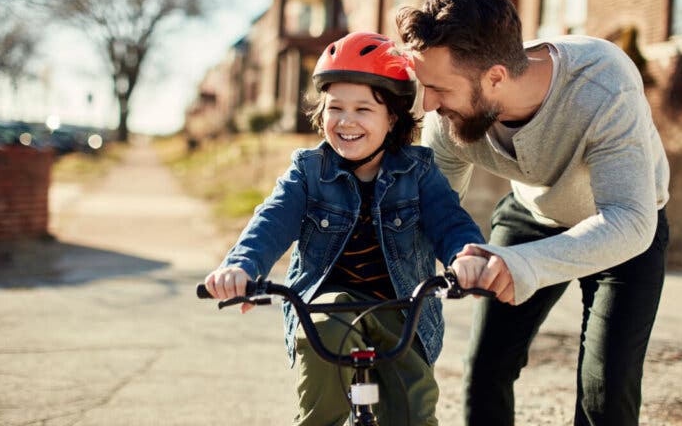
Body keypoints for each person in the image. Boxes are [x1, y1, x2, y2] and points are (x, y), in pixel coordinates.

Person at [396, 0, 670, 426]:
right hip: (533, 214)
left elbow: (632, 220)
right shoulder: (445, 117)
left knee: (606, 389)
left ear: (496, 77)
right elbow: (428, 214)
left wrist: (520, 265)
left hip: (623, 227)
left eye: (439, 90)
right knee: (485, 372)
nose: (427, 104)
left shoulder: (603, 86)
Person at [203, 31, 486, 426]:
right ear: (322, 114)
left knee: (413, 411)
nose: (346, 121)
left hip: (402, 304)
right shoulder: (308, 172)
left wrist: (467, 256)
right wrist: (243, 266)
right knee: (326, 348)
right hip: (326, 302)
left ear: (393, 119)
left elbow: (450, 222)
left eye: (363, 110)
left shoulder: (419, 172)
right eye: (335, 108)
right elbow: (271, 220)